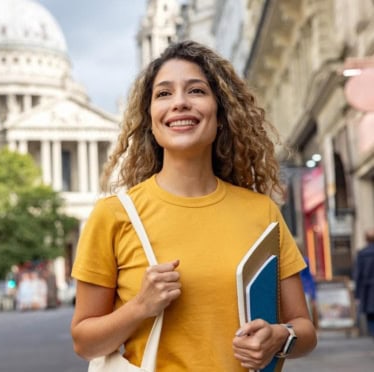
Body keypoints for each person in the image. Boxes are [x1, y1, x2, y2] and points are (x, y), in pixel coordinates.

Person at [70, 40, 317, 371]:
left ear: (220, 115)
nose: (180, 103)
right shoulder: (113, 214)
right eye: (164, 94)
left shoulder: (262, 212)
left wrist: (278, 337)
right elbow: (84, 342)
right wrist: (140, 306)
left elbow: (304, 328)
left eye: (196, 91)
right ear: (151, 121)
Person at [354, 228, 374, 337]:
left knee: (370, 313)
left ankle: (372, 333)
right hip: (368, 286)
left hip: (367, 288)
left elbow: (358, 274)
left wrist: (357, 294)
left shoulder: (362, 254)